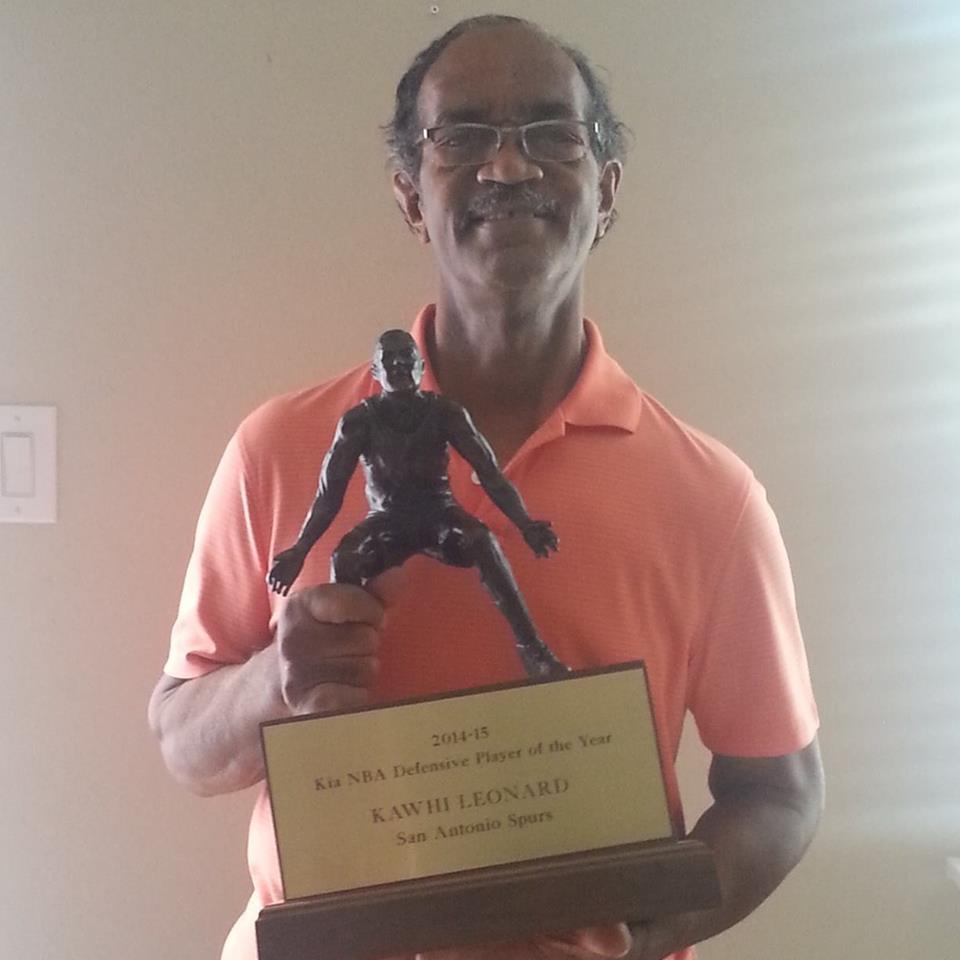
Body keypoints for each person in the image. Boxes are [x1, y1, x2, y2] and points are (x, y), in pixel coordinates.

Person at [149, 14, 823, 960]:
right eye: (461, 136)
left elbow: (780, 794)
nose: (509, 169)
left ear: (607, 189)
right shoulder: (278, 444)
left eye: (553, 134)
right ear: (410, 195)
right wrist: (275, 681)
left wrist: (627, 940)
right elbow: (182, 739)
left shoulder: (713, 496)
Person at [266, 328, 566, 679]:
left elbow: (490, 473)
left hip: (439, 515)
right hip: (387, 522)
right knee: (344, 557)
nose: (398, 366)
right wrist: (300, 551)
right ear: (375, 372)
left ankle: (533, 650)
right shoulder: (359, 421)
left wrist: (525, 524)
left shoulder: (445, 413)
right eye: (388, 360)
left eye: (406, 358)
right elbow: (329, 492)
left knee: (482, 540)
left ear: (421, 367)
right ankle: (344, 671)